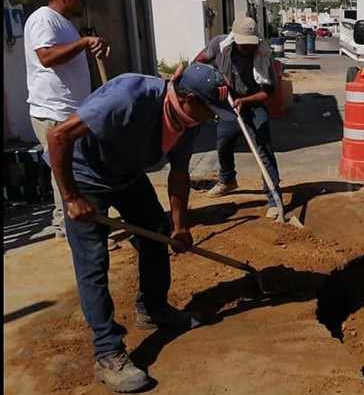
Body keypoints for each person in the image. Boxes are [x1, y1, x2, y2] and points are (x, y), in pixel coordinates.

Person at [47, 63, 236, 393]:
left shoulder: (189, 121)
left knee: (156, 232)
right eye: (211, 110)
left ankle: (153, 307)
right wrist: (72, 197)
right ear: (189, 98)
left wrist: (179, 226)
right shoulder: (128, 96)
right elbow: (57, 135)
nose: (213, 117)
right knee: (93, 261)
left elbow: (179, 173)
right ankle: (107, 351)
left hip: (127, 175)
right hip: (85, 176)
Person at [25, 0, 109, 240]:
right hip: (53, 111)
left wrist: (85, 43)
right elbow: (47, 57)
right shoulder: (43, 18)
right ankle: (68, 229)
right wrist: (83, 42)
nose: (83, 2)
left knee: (76, 169)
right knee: (65, 171)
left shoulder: (63, 23)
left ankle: (75, 227)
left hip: (70, 110)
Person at [193, 17, 282, 218]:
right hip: (229, 104)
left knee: (263, 148)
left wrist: (246, 101)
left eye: (250, 44)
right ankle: (227, 180)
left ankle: (273, 195)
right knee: (223, 143)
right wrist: (215, 78)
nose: (247, 48)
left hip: (254, 105)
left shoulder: (263, 55)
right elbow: (198, 62)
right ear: (234, 38)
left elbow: (270, 92)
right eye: (243, 44)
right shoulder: (219, 45)